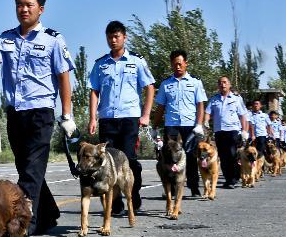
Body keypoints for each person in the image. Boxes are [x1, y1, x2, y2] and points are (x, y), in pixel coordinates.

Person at [0, 0, 75, 235]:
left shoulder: (53, 40)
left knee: (31, 170)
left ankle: (23, 222)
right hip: (16, 113)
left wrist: (67, 114)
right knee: (26, 167)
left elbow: (63, 77)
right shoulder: (6, 37)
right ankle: (48, 213)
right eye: (19, 5)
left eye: (29, 5)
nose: (23, 9)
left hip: (40, 113)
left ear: (41, 9)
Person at [87, 20, 155, 213]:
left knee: (129, 160)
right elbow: (94, 91)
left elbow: (149, 87)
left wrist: (146, 115)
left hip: (129, 119)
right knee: (107, 162)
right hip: (108, 119)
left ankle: (134, 194)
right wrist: (93, 118)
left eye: (116, 36)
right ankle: (114, 203)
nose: (113, 40)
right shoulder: (100, 64)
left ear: (124, 37)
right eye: (110, 37)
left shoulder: (136, 61)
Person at [153, 49, 207, 197]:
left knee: (189, 157)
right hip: (172, 126)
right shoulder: (165, 84)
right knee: (170, 157)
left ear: (185, 64)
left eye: (180, 63)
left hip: (190, 126)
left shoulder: (195, 82)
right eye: (174, 64)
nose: (177, 67)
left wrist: (199, 124)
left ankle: (194, 187)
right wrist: (155, 126)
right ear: (171, 64)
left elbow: (200, 105)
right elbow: (160, 107)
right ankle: (173, 189)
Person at [205, 76, 247, 189]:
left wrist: (244, 131)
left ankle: (234, 178)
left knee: (232, 154)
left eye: (224, 82)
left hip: (233, 130)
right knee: (223, 156)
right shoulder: (214, 99)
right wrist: (205, 122)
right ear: (218, 86)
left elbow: (243, 115)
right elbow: (208, 112)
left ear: (229, 85)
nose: (222, 84)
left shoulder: (237, 99)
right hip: (219, 131)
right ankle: (228, 179)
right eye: (220, 83)